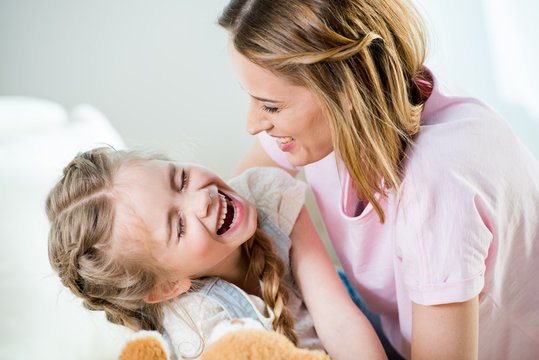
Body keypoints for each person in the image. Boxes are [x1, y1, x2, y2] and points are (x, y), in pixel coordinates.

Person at [218, 0, 539, 359]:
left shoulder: (435, 188)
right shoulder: (357, 111)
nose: (253, 124)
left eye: (271, 106)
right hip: (394, 323)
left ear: (346, 88)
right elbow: (244, 196)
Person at [46, 146, 386, 359]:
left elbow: (339, 322)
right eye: (178, 227)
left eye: (179, 179)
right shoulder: (194, 329)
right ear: (166, 286)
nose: (202, 198)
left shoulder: (268, 195)